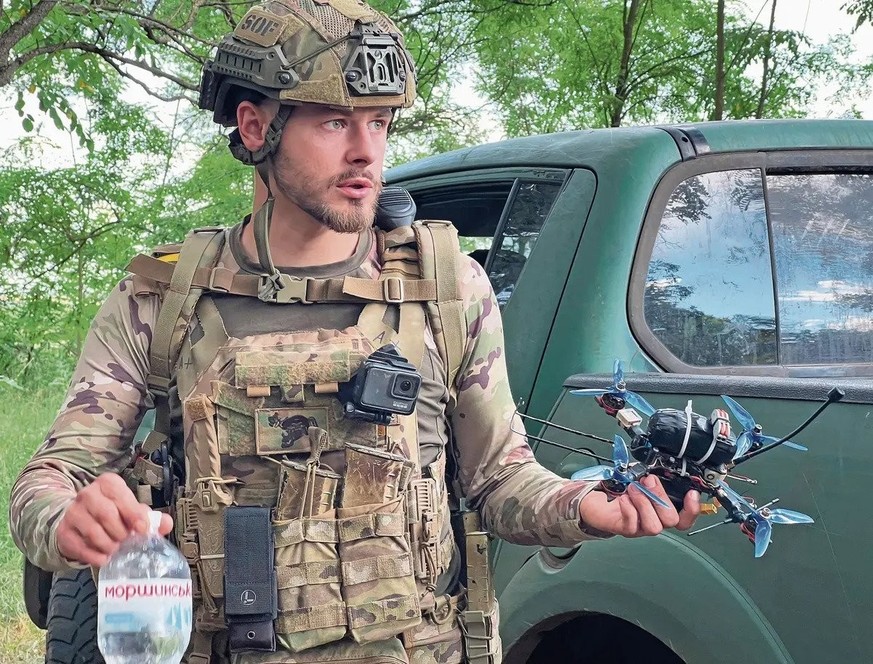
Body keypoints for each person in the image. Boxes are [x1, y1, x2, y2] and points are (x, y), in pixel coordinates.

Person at [10, 1, 700, 663]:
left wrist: (585, 506)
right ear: (255, 129)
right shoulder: (159, 300)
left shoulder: (448, 288)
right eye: (336, 123)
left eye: (379, 121)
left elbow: (500, 482)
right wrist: (70, 522)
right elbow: (46, 483)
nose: (368, 154)